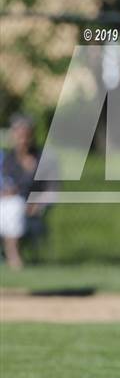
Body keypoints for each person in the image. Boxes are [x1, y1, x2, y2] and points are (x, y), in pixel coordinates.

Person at [0, 114, 57, 269]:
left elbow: (52, 190)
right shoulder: (6, 160)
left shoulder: (44, 159)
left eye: (25, 135)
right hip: (5, 205)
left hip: (29, 207)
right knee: (11, 206)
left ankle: (13, 255)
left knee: (15, 207)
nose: (22, 139)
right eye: (18, 135)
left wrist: (38, 203)